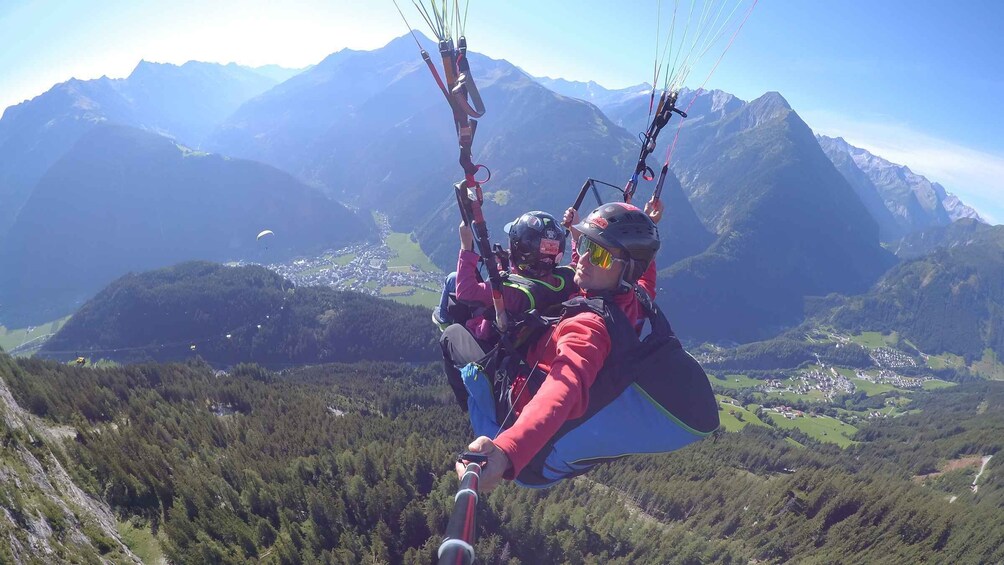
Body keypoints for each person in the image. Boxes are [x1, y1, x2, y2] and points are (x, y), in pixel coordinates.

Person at [455, 198, 665, 491]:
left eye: (601, 256)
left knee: (458, 351)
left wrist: (507, 451)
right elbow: (646, 284)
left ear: (627, 270)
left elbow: (562, 388)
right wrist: (648, 225)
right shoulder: (633, 301)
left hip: (516, 430)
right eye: (585, 246)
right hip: (545, 438)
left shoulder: (589, 328)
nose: (585, 259)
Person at [438, 211, 578, 410]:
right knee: (453, 278)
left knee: (449, 333)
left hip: (494, 342)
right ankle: (444, 317)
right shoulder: (566, 278)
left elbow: (465, 292)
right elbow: (578, 262)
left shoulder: (512, 291)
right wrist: (574, 233)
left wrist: (465, 243)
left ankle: (470, 403)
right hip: (527, 331)